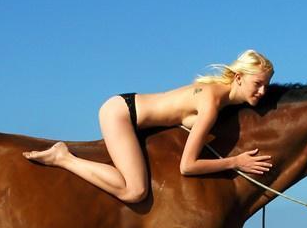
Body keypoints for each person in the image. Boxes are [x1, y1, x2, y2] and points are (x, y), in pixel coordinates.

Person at [23, 50, 274, 203]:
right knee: (135, 191)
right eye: (258, 83)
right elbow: (187, 166)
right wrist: (235, 162)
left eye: (266, 85)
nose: (262, 91)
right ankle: (63, 157)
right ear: (239, 78)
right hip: (121, 114)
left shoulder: (220, 101)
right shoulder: (211, 104)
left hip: (129, 109)